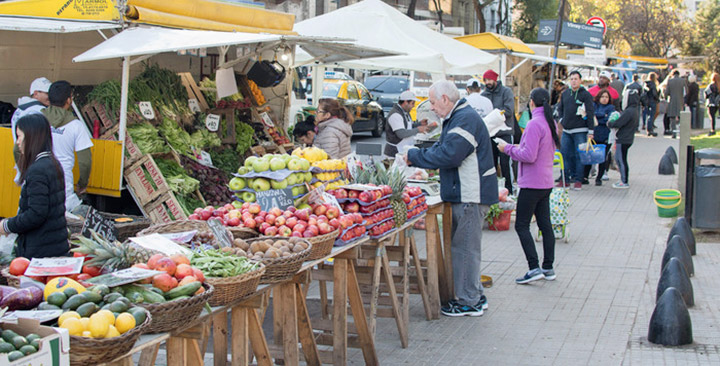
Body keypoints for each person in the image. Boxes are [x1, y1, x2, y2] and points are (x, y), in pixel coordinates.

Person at [406, 80, 498, 317]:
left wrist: (416, 156)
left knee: (464, 248)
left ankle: (469, 301)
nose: (433, 108)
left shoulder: (464, 118)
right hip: (467, 192)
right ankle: (474, 293)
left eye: (434, 103)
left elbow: (450, 154)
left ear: (445, 99)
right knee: (466, 247)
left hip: (471, 194)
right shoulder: (459, 116)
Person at [497, 88, 560, 284]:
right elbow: (531, 151)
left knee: (522, 225)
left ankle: (534, 267)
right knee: (544, 224)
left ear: (532, 102)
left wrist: (506, 148)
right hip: (545, 182)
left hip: (532, 183)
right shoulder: (550, 123)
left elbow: (529, 155)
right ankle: (548, 267)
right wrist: (514, 148)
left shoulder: (534, 124)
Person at [0, 114, 68, 258]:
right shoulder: (52, 163)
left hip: (40, 251)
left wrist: (7, 225)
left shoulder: (38, 170)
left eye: (19, 137)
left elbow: (36, 214)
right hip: (55, 245)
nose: (17, 142)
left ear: (32, 137)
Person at [42, 81, 93, 211]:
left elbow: (18, 150)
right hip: (62, 182)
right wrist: (82, 184)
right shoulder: (76, 125)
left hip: (37, 178)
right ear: (69, 100)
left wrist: (24, 172)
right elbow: (85, 161)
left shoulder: (37, 119)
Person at [555, 71, 595, 190]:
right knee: (565, 154)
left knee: (579, 156)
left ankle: (578, 180)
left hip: (581, 130)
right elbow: (560, 108)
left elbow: (590, 112)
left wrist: (591, 131)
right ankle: (565, 179)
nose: (573, 81)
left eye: (576, 79)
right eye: (571, 79)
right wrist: (561, 119)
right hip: (567, 130)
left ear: (580, 80)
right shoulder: (565, 93)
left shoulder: (585, 95)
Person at [481, 69, 515, 193]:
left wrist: (495, 116)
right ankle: (492, 191)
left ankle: (510, 190)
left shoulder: (506, 92)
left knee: (506, 164)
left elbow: (509, 110)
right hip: (490, 134)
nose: (488, 82)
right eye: (485, 80)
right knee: (491, 164)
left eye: (490, 79)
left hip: (505, 134)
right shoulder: (484, 95)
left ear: (495, 79)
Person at [608, 88, 641, 189]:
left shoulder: (629, 111)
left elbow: (618, 123)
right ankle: (623, 179)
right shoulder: (635, 110)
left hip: (623, 139)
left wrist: (610, 123)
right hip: (627, 138)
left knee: (620, 159)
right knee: (622, 159)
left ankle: (624, 180)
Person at [384, 90, 433, 158]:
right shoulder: (395, 114)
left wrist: (419, 124)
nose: (413, 106)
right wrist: (418, 129)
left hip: (403, 151)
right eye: (412, 103)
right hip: (395, 152)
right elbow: (401, 133)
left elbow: (407, 126)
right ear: (405, 102)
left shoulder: (405, 112)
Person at [586, 89, 615, 186]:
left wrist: (597, 117)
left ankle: (599, 177)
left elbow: (608, 120)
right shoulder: (594, 105)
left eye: (606, 97)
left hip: (605, 136)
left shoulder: (611, 107)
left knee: (602, 158)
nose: (604, 99)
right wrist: (602, 115)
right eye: (602, 96)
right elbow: (590, 117)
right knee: (590, 156)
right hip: (594, 135)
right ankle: (585, 176)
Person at [10, 77, 52, 142]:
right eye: (47, 93)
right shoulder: (38, 110)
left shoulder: (20, 109)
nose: (51, 96)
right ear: (35, 94)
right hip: (34, 150)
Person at [665, 70, 685, 139]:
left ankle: (674, 133)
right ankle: (682, 133)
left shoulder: (670, 81)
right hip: (681, 101)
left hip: (672, 101)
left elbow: (666, 92)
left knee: (672, 118)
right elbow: (686, 91)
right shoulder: (683, 81)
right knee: (681, 117)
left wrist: (666, 97)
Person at [643, 72, 660, 136]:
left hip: (647, 101)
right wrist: (657, 99)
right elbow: (654, 93)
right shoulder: (653, 84)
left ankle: (648, 128)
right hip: (652, 101)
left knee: (648, 115)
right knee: (652, 115)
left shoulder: (646, 84)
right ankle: (650, 129)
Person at [704, 72, 720, 136]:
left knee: (712, 117)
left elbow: (706, 94)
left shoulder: (711, 86)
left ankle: (712, 130)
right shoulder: (719, 86)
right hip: (717, 103)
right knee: (714, 117)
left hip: (711, 103)